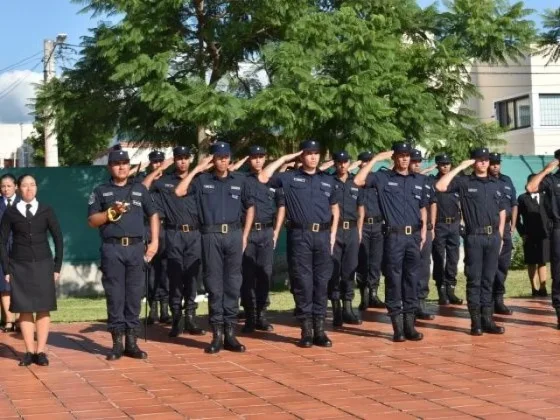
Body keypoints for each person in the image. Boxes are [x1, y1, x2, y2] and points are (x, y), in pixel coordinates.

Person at [175, 141, 255, 354]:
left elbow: (250, 208)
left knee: (233, 283)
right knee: (214, 283)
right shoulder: (202, 181)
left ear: (230, 158)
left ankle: (230, 332)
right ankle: (217, 333)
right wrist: (198, 168)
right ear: (213, 159)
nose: (223, 161)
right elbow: (180, 191)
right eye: (219, 157)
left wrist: (245, 236)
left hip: (234, 235)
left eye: (226, 157)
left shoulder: (240, 181)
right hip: (210, 235)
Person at [260, 140, 339, 348]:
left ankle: (320, 330)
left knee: (321, 282)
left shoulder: (328, 180)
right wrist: (286, 158)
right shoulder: (289, 178)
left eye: (316, 153)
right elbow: (263, 176)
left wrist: (332, 234)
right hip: (300, 235)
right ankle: (306, 330)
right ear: (301, 156)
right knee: (303, 282)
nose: (313, 157)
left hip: (322, 236)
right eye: (308, 153)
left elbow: (335, 208)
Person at [88, 149, 160, 361]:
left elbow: (153, 214)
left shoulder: (139, 190)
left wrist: (154, 242)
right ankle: (117, 342)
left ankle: (132, 341)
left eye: (125, 163)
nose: (121, 167)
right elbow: (92, 221)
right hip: (112, 249)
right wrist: (111, 213)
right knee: (115, 295)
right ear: (110, 167)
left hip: (137, 248)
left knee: (134, 295)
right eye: (117, 163)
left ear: (130, 165)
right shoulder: (101, 191)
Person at [354, 142, 427, 342]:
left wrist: (424, 233)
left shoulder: (419, 180)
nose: (404, 159)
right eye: (401, 155)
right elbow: (358, 180)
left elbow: (423, 207)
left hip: (413, 236)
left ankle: (410, 326)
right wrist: (377, 159)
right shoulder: (383, 178)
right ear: (394, 157)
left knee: (412, 279)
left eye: (407, 156)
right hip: (393, 237)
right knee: (394, 280)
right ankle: (398, 328)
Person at [435, 147, 506, 336]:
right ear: (473, 162)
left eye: (486, 159)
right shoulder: (464, 182)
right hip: (474, 237)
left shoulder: (495, 184)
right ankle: (476, 322)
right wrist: (459, 167)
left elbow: (502, 210)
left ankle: (488, 320)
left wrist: (500, 237)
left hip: (493, 238)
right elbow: (441, 186)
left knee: (489, 280)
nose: (483, 162)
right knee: (474, 280)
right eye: (479, 159)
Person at [0, 174, 63, 366]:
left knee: (43, 309)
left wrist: (57, 266)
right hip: (19, 266)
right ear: (18, 188)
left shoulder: (46, 210)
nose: (29, 189)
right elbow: (2, 241)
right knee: (25, 309)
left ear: (36, 187)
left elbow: (58, 238)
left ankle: (41, 352)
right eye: (25, 186)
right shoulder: (10, 212)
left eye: (32, 185)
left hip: (44, 265)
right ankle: (28, 352)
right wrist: (7, 269)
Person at [143, 146, 206, 337]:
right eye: (179, 158)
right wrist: (159, 168)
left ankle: (191, 318)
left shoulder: (199, 181)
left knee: (192, 277)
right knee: (175, 277)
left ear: (191, 160)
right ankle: (177, 318)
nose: (183, 161)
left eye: (186, 158)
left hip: (194, 234)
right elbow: (143, 187)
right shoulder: (164, 182)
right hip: (174, 233)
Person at [241, 145, 285, 333]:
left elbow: (282, 206)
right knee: (248, 275)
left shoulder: (274, 181)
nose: (258, 160)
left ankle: (261, 314)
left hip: (267, 232)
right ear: (249, 159)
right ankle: (250, 315)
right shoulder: (243, 180)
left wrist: (276, 231)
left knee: (265, 274)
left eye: (261, 156)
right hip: (249, 233)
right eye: (254, 157)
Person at [526, 150, 560, 328]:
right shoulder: (551, 180)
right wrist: (546, 170)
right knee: (559, 272)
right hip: (558, 229)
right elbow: (531, 188)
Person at [328, 150, 362, 327]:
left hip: (352, 231)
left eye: (345, 161)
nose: (342, 165)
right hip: (335, 231)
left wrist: (360, 230)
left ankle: (348, 308)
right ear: (334, 163)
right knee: (334, 270)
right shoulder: (327, 181)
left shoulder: (355, 182)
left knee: (350, 270)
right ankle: (336, 310)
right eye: (339, 161)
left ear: (349, 163)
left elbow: (361, 208)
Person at [140, 150, 171, 325]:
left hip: (166, 228)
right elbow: (142, 188)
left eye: (160, 161)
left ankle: (165, 308)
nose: (158, 164)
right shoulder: (143, 182)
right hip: (148, 229)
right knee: (150, 272)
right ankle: (153, 309)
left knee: (165, 271)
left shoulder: (169, 181)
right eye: (155, 162)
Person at [430, 154, 463, 305]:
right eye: (442, 164)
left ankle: (451, 289)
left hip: (454, 225)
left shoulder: (457, 182)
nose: (445, 167)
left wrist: (462, 221)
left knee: (453, 258)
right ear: (437, 165)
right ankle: (441, 289)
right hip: (439, 225)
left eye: (447, 164)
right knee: (438, 257)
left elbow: (462, 203)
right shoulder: (432, 182)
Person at [409, 149, 437, 321]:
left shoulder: (426, 181)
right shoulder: (402, 180)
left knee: (424, 266)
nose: (417, 164)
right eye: (414, 161)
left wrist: (431, 226)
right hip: (407, 230)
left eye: (419, 161)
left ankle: (420, 302)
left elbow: (433, 203)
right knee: (408, 266)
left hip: (424, 230)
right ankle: (408, 302)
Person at [356, 151, 386, 310]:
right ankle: (364, 296)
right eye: (363, 161)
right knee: (362, 262)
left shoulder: (378, 181)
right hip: (362, 226)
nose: (366, 163)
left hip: (378, 225)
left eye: (369, 161)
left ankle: (374, 294)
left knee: (375, 261)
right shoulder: (355, 181)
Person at [488, 153, 518, 315]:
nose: (495, 166)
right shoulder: (484, 181)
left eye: (497, 163)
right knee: (489, 264)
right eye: (492, 163)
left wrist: (513, 225)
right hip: (489, 228)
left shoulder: (507, 180)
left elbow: (514, 204)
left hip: (505, 228)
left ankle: (499, 299)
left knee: (503, 264)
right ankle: (488, 301)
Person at [518, 175, 550, 296]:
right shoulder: (522, 198)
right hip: (529, 235)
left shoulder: (546, 197)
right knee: (532, 262)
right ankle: (534, 288)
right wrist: (522, 233)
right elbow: (517, 218)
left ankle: (543, 287)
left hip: (544, 234)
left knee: (543, 261)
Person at [0, 173, 20, 332]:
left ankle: (21, 320)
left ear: (16, 187)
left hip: (20, 248)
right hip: (2, 249)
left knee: (20, 285)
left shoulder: (23, 203)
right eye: (2, 186)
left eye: (8, 186)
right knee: (4, 285)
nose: (5, 189)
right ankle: (9, 320)